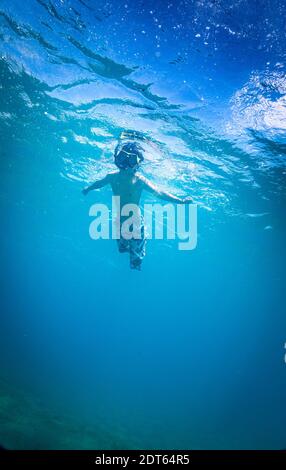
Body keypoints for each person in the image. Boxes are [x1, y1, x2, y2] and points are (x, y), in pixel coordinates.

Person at [82, 135, 192, 270]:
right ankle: (133, 248)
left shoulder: (140, 181)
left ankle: (139, 247)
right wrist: (88, 188)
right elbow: (99, 183)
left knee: (136, 262)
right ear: (117, 159)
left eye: (131, 161)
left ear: (137, 164)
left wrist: (179, 201)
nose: (126, 166)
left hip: (136, 224)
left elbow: (160, 192)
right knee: (122, 250)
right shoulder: (112, 176)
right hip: (120, 221)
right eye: (122, 159)